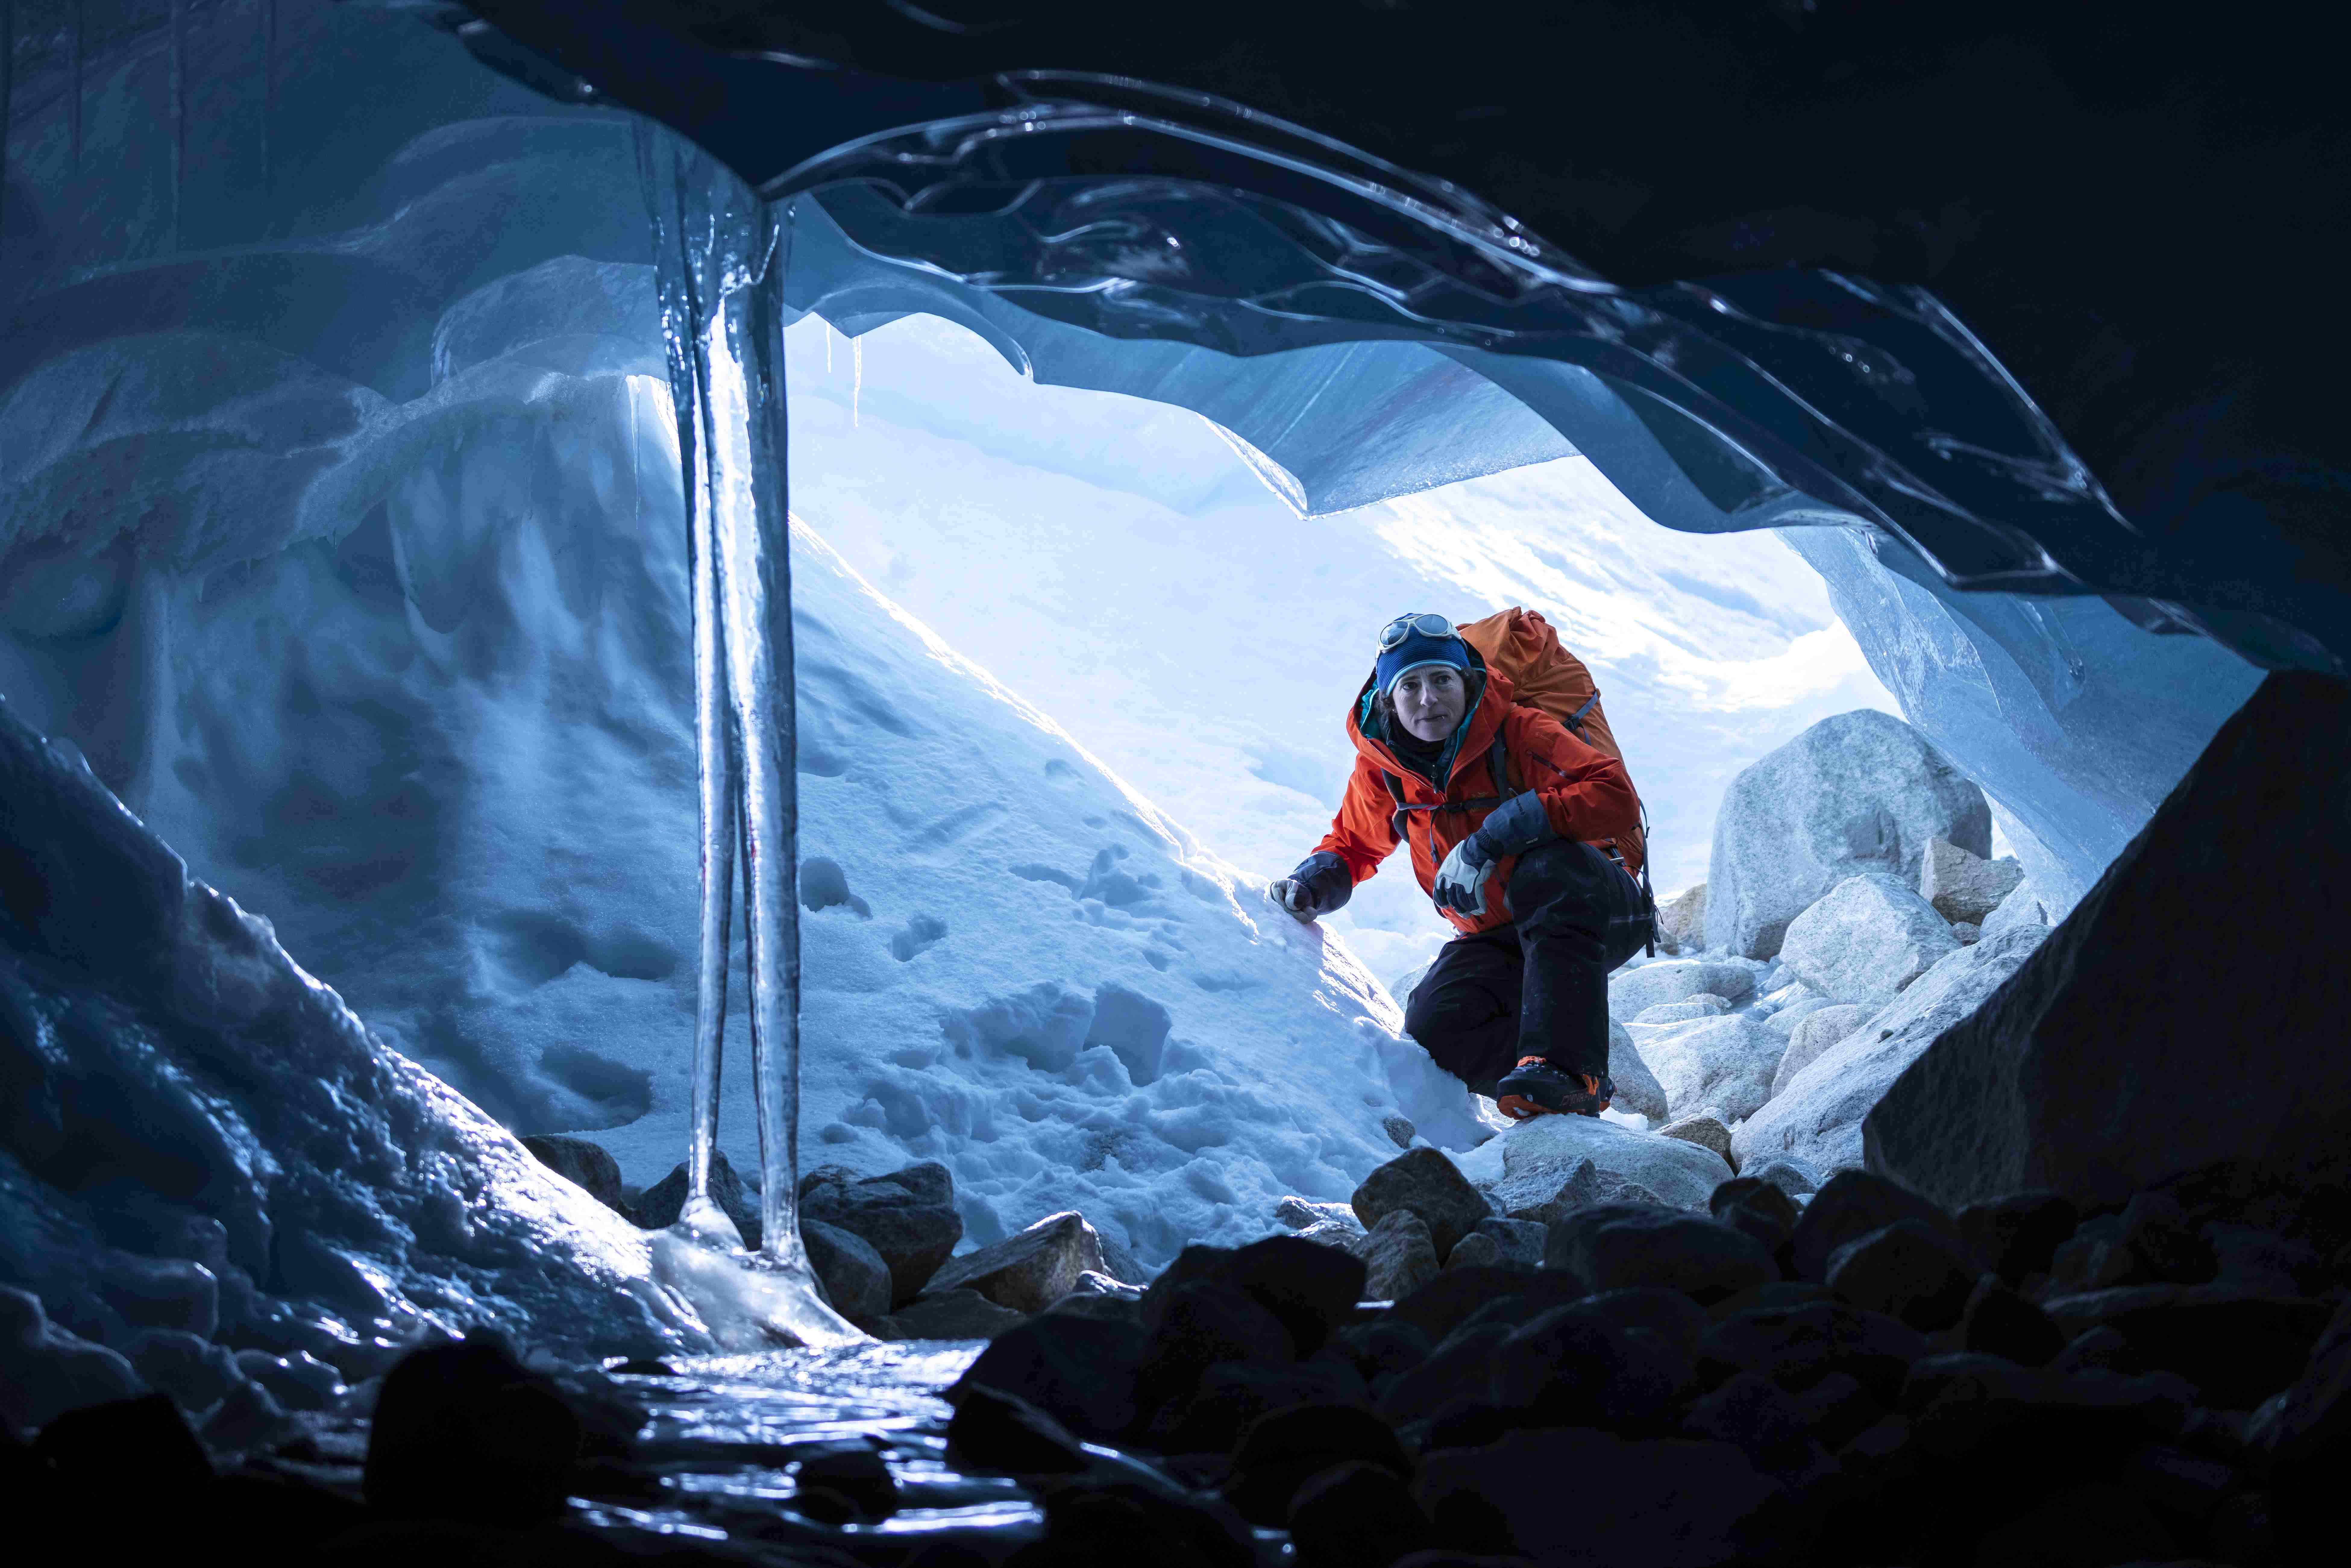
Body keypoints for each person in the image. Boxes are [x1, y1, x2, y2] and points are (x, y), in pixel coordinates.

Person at [1269, 612, 1650, 1118]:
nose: (1428, 699)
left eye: (1441, 680)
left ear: (1467, 684)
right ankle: (1557, 1100)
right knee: (1436, 1027)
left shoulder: (1519, 730)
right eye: (1410, 686)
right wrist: (1315, 882)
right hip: (1500, 933)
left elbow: (1614, 796)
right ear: (1387, 699)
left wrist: (1489, 840)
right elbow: (1354, 844)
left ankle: (1565, 1069)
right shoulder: (1385, 769)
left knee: (1547, 868)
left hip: (1597, 906)